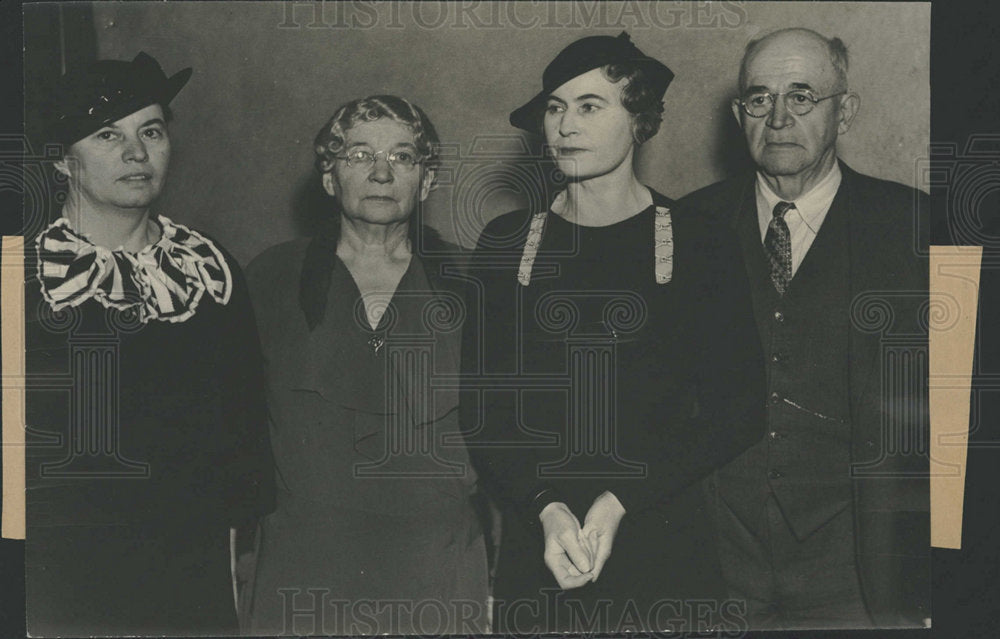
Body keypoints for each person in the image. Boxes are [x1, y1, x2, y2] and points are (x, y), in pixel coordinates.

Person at [460, 32, 765, 633]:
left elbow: (740, 408)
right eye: (555, 107)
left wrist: (619, 499)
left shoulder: (700, 242)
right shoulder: (504, 243)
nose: (565, 125)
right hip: (540, 547)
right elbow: (483, 408)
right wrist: (544, 507)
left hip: (664, 543)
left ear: (640, 122)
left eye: (590, 106)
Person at [679, 28, 930, 629]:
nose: (779, 118)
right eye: (759, 99)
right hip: (717, 568)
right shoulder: (686, 225)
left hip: (860, 572)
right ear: (740, 114)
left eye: (802, 96)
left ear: (846, 113)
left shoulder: (919, 228)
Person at [24, 52, 276, 636]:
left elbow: (243, 436)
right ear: (64, 159)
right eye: (108, 134)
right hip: (58, 576)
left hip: (189, 574)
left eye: (152, 131)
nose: (136, 153)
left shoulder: (208, 271)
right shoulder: (22, 274)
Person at [246, 95, 489, 636]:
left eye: (403, 157)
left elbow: (506, 431)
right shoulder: (269, 278)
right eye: (359, 155)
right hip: (306, 573)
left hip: (435, 573)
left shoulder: (471, 282)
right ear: (330, 177)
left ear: (426, 182)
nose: (381, 172)